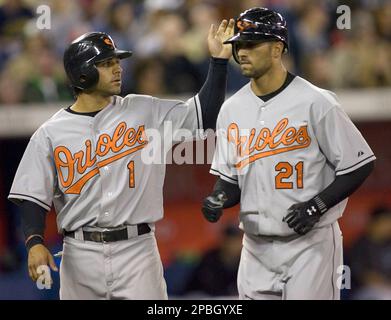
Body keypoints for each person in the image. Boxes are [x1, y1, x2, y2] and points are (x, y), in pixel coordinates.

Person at [8, 18, 234, 300]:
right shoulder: (51, 132)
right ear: (81, 74)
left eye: (117, 61)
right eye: (106, 63)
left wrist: (219, 62)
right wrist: (34, 242)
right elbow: (30, 196)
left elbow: (204, 118)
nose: (117, 68)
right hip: (79, 253)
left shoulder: (144, 110)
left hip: (137, 251)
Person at [201, 7, 376, 300]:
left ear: (277, 48)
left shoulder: (316, 101)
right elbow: (230, 179)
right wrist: (218, 198)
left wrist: (316, 205)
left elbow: (359, 164)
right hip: (254, 248)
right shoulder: (231, 109)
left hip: (310, 245)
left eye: (252, 44)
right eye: (239, 45)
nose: (242, 52)